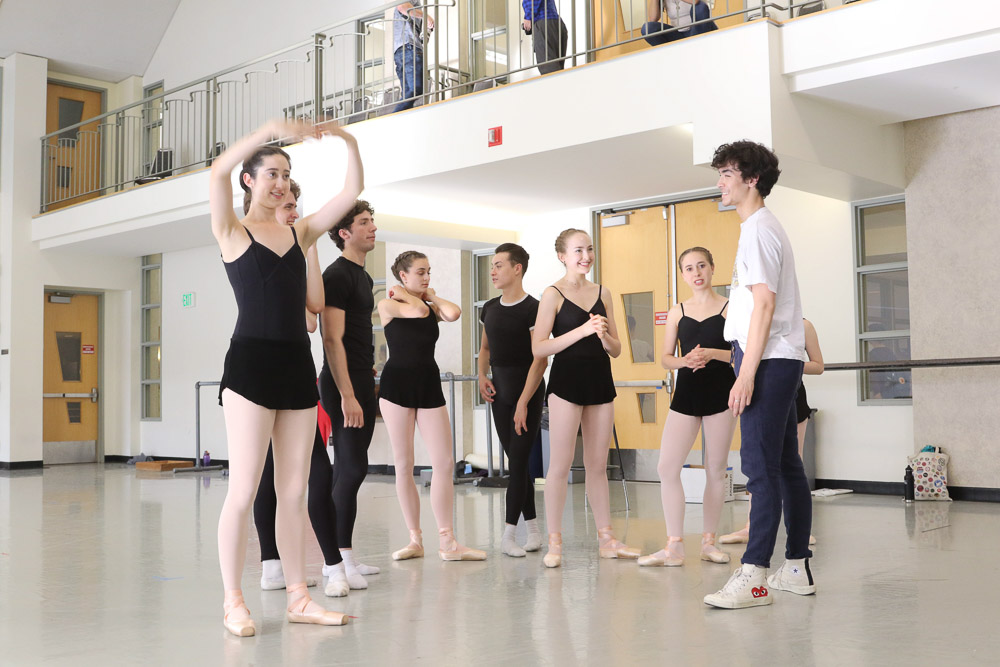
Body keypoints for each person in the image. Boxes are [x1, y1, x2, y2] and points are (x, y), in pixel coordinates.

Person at [209, 119, 362, 635]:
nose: (280, 183)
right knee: (244, 489)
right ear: (249, 180)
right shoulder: (232, 230)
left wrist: (348, 140)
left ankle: (299, 597)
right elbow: (216, 170)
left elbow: (351, 192)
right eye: (271, 173)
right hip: (250, 367)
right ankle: (233, 601)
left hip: (297, 366)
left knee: (294, 491)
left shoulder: (301, 232)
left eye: (286, 174)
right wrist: (268, 131)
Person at [702, 140, 814, 610]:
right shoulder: (759, 228)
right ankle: (797, 567)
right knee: (785, 465)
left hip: (765, 360)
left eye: (727, 174)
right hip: (773, 358)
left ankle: (754, 575)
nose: (720, 183)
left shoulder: (759, 230)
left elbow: (764, 305)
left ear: (752, 179)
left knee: (760, 468)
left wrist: (745, 373)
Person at [248, 183, 351, 599]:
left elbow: (314, 311)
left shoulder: (297, 247)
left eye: (296, 206)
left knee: (313, 471)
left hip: (295, 372)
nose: (294, 211)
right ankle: (281, 566)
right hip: (260, 372)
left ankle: (324, 565)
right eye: (287, 205)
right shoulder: (254, 248)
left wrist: (307, 246)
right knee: (265, 475)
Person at [532, 229, 638, 568]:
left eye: (589, 249)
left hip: (599, 381)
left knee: (597, 465)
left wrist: (603, 335)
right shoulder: (552, 294)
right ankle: (554, 542)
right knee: (559, 466)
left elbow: (616, 349)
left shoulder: (603, 292)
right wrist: (581, 330)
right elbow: (539, 348)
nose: (586, 256)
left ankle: (607, 539)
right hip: (566, 383)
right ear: (562, 256)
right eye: (578, 250)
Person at [378, 251, 486, 561]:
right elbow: (415, 312)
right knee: (404, 464)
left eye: (429, 272)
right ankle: (415, 539)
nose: (426, 277)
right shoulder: (388, 305)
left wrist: (432, 296)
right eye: (420, 272)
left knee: (444, 462)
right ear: (403, 276)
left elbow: (454, 313)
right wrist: (406, 295)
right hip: (396, 386)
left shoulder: (429, 305)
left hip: (428, 385)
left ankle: (447, 541)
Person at [638, 247, 736, 568]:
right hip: (686, 395)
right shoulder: (677, 312)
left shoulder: (730, 308)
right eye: (689, 268)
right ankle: (674, 545)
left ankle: (708, 543)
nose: (696, 273)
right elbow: (666, 358)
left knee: (715, 469)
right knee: (667, 467)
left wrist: (712, 353)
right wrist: (685, 360)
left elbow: (744, 355)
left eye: (702, 266)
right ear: (683, 274)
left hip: (721, 395)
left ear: (712, 268)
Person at [318, 200, 381, 590]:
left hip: (360, 377)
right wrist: (347, 393)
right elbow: (331, 338)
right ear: (344, 233)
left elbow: (356, 333)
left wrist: (364, 370)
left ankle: (345, 557)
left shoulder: (363, 276)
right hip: (344, 385)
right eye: (364, 222)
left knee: (349, 469)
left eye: (372, 221)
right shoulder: (337, 275)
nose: (372, 227)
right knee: (352, 469)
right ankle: (337, 561)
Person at [720, 317, 824, 546]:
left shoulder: (804, 325)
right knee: (758, 466)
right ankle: (751, 526)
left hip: (791, 392)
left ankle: (799, 530)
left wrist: (788, 361)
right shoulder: (753, 323)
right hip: (759, 392)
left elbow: (818, 365)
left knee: (792, 463)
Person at [477, 243, 548, 557]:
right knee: (517, 463)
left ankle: (508, 536)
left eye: (499, 265)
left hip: (527, 393)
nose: (492, 271)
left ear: (517, 268)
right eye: (491, 266)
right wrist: (482, 376)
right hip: (499, 394)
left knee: (518, 462)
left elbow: (540, 359)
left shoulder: (534, 308)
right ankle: (533, 531)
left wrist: (523, 402)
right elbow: (485, 349)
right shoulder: (490, 308)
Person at [393, 2, 432, 112]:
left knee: (408, 93)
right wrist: (426, 16)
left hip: (402, 50)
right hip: (409, 48)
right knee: (416, 88)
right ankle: (394, 116)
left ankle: (398, 116)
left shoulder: (416, 8)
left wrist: (427, 31)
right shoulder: (413, 4)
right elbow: (401, 6)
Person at [641, 0, 717, 46]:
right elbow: (653, 18)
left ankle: (696, 46)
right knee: (648, 28)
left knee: (700, 7)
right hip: (679, 34)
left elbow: (695, 1)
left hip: (699, 29)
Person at [522, 0, 569, 75]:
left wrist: (528, 17)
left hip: (544, 24)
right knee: (557, 66)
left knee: (548, 67)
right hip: (556, 23)